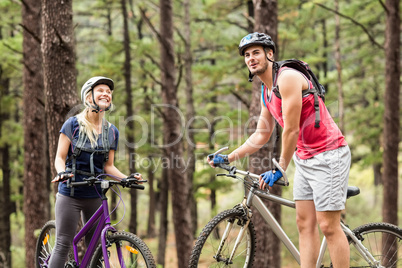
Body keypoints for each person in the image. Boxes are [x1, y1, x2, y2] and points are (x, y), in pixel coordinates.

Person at [207, 33, 351, 268]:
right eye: (246, 55)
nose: (251, 58)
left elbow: (291, 129)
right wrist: (230, 156)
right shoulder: (266, 91)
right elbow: (262, 134)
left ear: (270, 54)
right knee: (304, 224)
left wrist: (280, 168)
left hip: (329, 154)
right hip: (304, 159)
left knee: (327, 226)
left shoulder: (288, 78)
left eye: (256, 52)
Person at [49, 76, 142, 267]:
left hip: (95, 194)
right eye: (101, 90)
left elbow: (108, 166)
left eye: (109, 92)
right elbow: (60, 157)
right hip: (71, 192)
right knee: (62, 244)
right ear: (88, 96)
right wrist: (61, 172)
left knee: (97, 249)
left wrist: (128, 179)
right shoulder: (72, 125)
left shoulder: (112, 131)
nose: (106, 94)